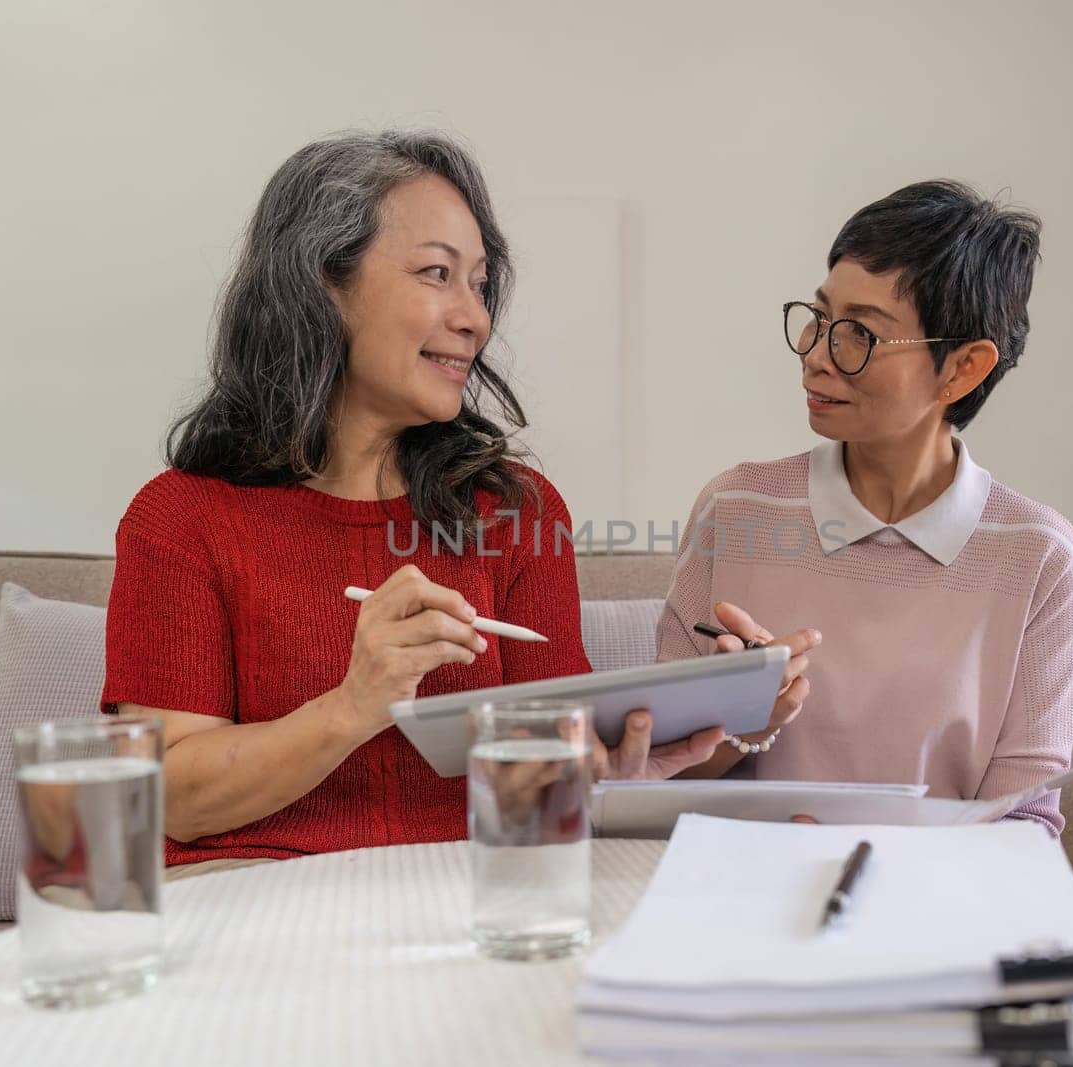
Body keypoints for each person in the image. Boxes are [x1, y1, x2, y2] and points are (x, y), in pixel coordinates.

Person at [102, 130, 722, 875]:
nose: (476, 318)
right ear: (319, 282)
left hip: (469, 894)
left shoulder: (518, 512)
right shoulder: (182, 518)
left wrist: (615, 764)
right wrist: (356, 703)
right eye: (438, 273)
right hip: (253, 901)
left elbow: (546, 783)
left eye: (481, 284)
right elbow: (167, 796)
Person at [660, 180, 1073, 836]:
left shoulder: (1038, 559)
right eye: (818, 318)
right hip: (743, 895)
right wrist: (741, 721)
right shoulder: (735, 510)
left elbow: (1025, 822)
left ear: (962, 370)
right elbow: (653, 774)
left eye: (857, 335)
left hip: (939, 913)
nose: (814, 355)